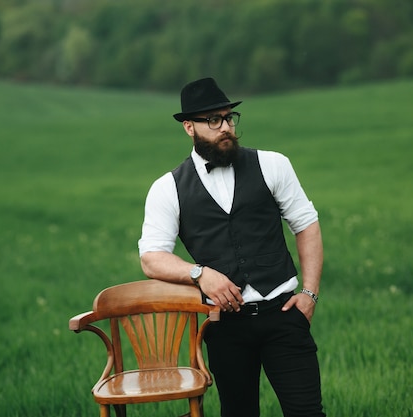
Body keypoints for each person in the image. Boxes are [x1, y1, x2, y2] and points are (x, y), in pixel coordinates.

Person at [138, 77, 326, 417]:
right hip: (224, 327)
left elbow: (306, 224)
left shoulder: (273, 164)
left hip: (284, 314)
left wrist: (309, 295)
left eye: (228, 118)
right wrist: (199, 274)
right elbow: (152, 258)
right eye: (213, 120)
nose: (225, 127)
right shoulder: (167, 188)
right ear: (189, 128)